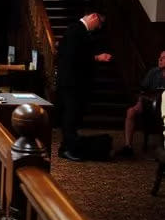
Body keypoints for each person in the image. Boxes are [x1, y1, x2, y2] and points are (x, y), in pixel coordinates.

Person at [56, 11, 112, 161]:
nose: (98, 28)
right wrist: (96, 57)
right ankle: (69, 149)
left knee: (72, 116)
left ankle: (67, 147)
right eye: (99, 25)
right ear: (94, 17)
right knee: (70, 116)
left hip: (71, 82)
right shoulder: (76, 30)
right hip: (72, 82)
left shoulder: (76, 30)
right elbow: (73, 55)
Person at [118, 50, 165, 157]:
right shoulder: (153, 72)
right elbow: (142, 91)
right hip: (150, 103)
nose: (160, 59)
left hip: (163, 107)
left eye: (163, 57)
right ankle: (128, 147)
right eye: (159, 57)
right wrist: (139, 103)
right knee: (131, 112)